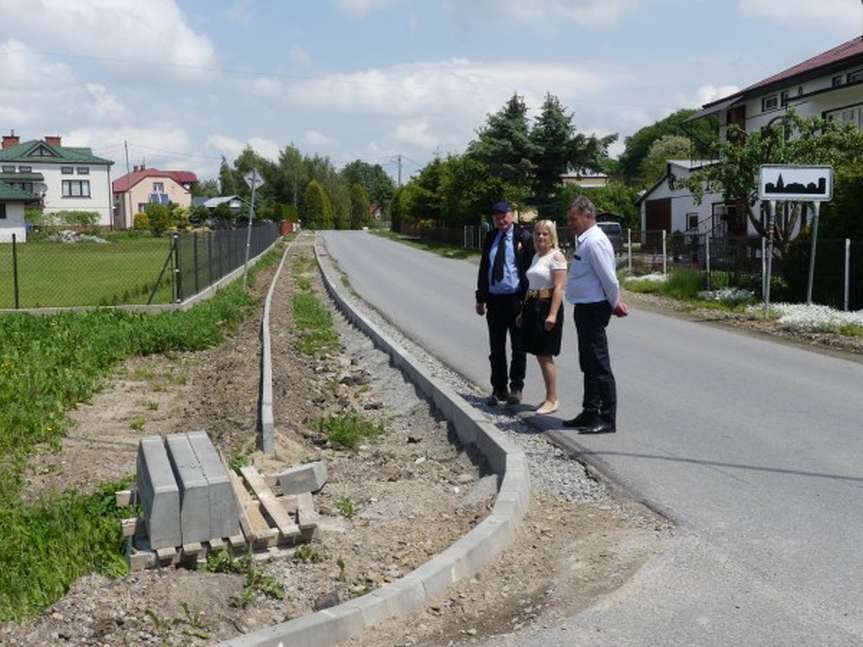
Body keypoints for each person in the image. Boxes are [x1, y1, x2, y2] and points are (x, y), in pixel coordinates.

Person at [563, 196, 629, 434]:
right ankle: (590, 410)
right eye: (569, 219)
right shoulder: (585, 240)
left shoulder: (595, 242)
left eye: (574, 218)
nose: (571, 223)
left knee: (599, 363)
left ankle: (607, 417)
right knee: (587, 361)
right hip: (584, 306)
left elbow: (609, 279)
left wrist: (615, 303)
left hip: (594, 307)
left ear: (588, 216)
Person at [475, 201, 534, 405]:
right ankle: (498, 388)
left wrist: (527, 303)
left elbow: (530, 272)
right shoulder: (491, 236)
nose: (500, 220)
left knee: (518, 346)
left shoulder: (523, 237)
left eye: (503, 215)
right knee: (496, 348)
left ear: (511, 215)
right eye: (496, 217)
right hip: (495, 300)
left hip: (516, 300)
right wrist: (480, 298)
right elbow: (484, 268)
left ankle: (516, 387)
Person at [516, 220, 567, 415]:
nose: (541, 237)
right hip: (533, 304)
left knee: (545, 354)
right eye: (538, 233)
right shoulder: (537, 256)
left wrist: (553, 314)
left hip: (547, 306)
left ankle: (553, 398)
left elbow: (559, 287)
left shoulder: (556, 257)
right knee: (539, 353)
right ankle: (548, 396)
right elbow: (532, 285)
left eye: (545, 234)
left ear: (552, 235)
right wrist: (523, 311)